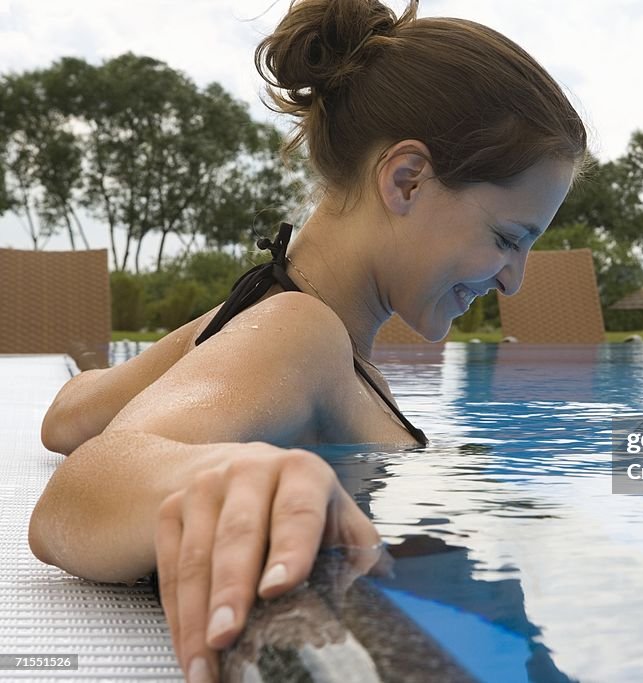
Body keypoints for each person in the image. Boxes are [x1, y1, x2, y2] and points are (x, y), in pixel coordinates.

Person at [28, 0, 588, 681]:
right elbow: (76, 493)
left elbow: (70, 419)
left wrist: (218, 332)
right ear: (406, 179)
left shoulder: (274, 318)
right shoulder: (299, 332)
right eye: (507, 239)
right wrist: (226, 476)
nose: (515, 282)